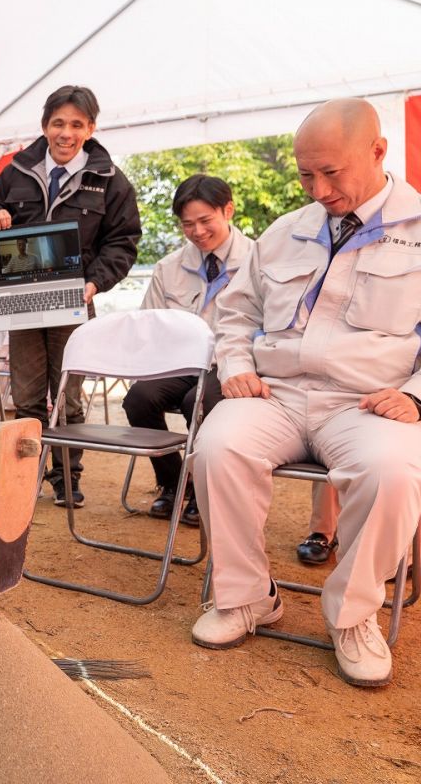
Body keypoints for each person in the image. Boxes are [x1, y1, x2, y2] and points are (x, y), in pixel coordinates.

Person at [190, 98, 421, 688]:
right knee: (216, 446)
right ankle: (247, 597)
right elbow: (234, 315)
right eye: (306, 174)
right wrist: (235, 364)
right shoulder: (283, 232)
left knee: (395, 474)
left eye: (332, 172)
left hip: (371, 401)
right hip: (277, 395)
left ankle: (353, 615)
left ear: (378, 152)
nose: (319, 188)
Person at [122, 174, 339, 534]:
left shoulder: (262, 258)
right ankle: (177, 483)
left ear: (228, 210)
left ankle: (203, 492)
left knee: (200, 401)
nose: (197, 231)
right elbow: (151, 323)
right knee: (138, 399)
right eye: (187, 224)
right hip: (182, 362)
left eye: (205, 220)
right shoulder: (168, 268)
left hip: (233, 364)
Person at [0, 85, 141, 507]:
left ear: (90, 128)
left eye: (75, 124)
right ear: (44, 126)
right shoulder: (16, 170)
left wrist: (93, 284)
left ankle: (67, 479)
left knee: (66, 395)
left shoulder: (110, 181)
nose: (65, 133)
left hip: (73, 298)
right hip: (21, 298)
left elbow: (122, 243)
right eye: (57, 123)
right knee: (27, 395)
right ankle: (24, 475)